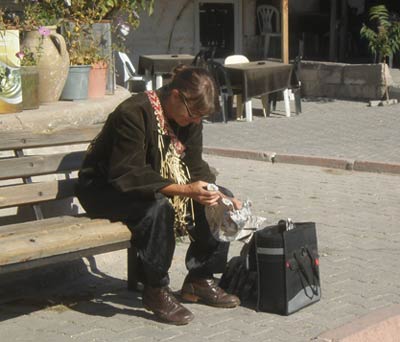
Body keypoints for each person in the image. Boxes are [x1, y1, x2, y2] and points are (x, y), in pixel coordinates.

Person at [75, 65, 241, 325]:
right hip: (105, 188)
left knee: (219, 201)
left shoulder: (189, 119)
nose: (195, 121)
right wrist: (185, 190)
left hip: (147, 184)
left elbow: (195, 166)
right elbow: (128, 173)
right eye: (193, 114)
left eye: (200, 117)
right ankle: (155, 289)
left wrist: (219, 194)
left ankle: (200, 278)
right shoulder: (134, 112)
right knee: (157, 208)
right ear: (175, 96)